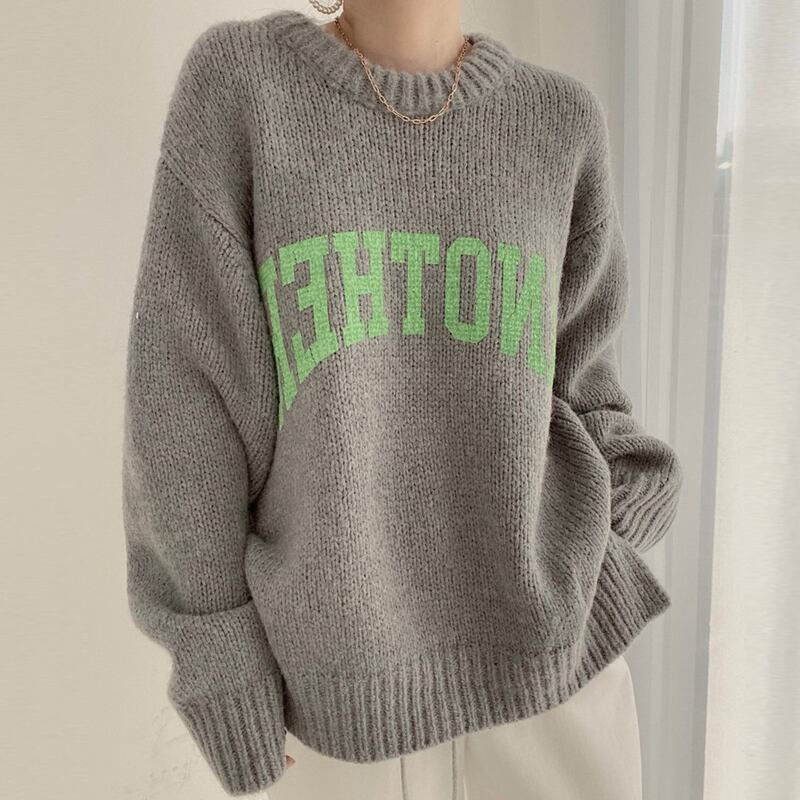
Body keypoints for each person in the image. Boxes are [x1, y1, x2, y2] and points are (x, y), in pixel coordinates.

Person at [121, 1, 683, 797]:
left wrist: (622, 502)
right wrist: (220, 664)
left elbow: (584, 387)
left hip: (559, 674)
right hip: (336, 698)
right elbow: (184, 406)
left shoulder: (559, 120)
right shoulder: (244, 87)